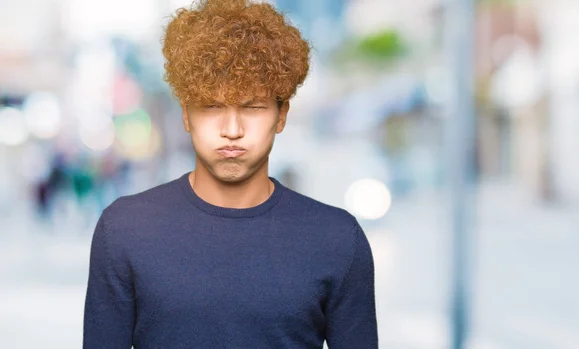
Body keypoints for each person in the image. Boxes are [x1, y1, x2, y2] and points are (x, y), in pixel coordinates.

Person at [83, 0, 378, 348]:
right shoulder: (124, 230)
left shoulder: (339, 240)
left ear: (281, 115)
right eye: (211, 106)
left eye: (252, 108)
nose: (232, 129)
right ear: (186, 115)